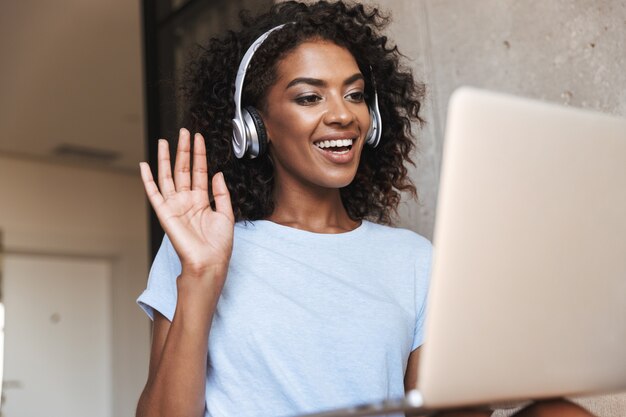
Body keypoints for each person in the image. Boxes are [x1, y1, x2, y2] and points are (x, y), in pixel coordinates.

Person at [135, 2, 598, 417]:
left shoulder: (413, 259)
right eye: (309, 97)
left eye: (354, 94)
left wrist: (497, 367)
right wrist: (200, 277)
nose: (343, 115)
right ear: (255, 127)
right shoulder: (200, 248)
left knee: (561, 412)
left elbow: (435, 411)